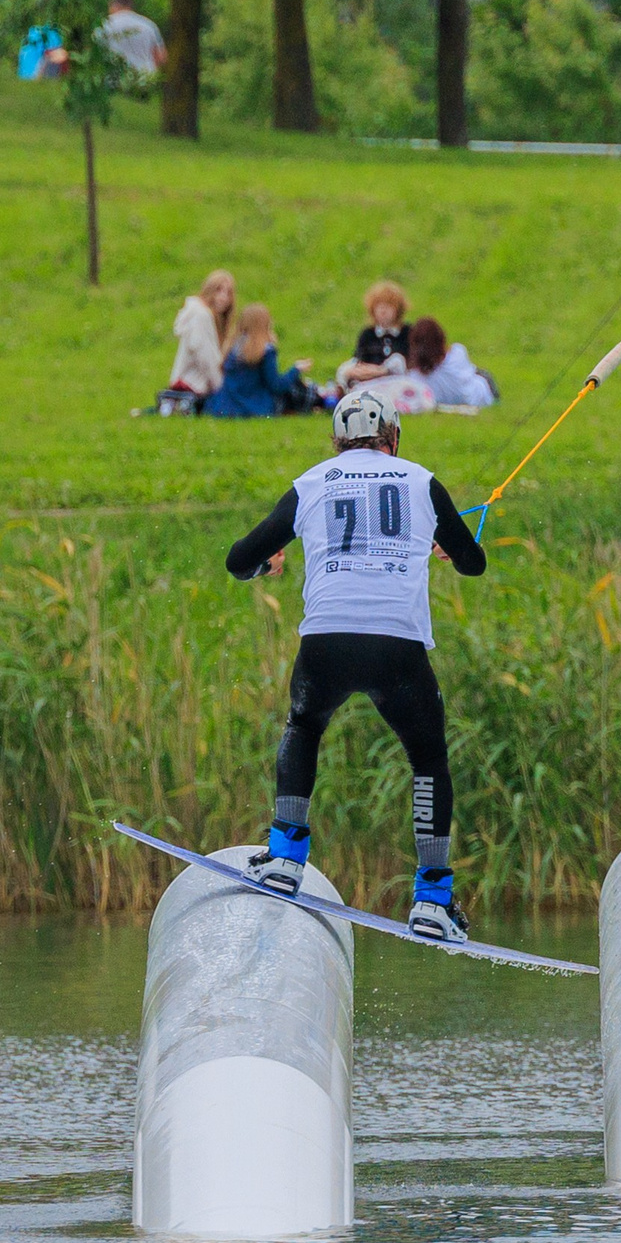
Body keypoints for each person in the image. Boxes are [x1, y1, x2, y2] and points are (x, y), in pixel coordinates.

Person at [224, 390, 488, 943]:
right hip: (397, 648)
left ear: (338, 442)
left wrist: (263, 566)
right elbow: (473, 564)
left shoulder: (314, 482)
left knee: (304, 725)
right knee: (427, 757)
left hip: (327, 642)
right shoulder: (420, 481)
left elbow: (238, 558)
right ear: (393, 438)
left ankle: (285, 858)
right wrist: (443, 545)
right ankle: (433, 899)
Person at [210, 303, 318, 419]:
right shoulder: (266, 351)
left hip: (226, 407)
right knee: (297, 389)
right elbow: (276, 385)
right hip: (255, 407)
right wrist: (296, 369)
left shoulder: (233, 348)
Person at [165, 271, 235, 410]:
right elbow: (206, 358)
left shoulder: (202, 315)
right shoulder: (201, 316)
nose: (223, 297)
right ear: (210, 290)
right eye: (219, 290)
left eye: (228, 293)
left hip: (187, 385)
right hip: (194, 387)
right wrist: (221, 389)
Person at [403, 316, 499, 410]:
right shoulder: (457, 353)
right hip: (478, 397)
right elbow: (469, 373)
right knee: (482, 374)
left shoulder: (415, 377)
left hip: (447, 400)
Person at [335, 282, 412, 387]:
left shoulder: (408, 332)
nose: (383, 311)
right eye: (379, 306)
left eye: (388, 306)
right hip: (370, 382)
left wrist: (383, 371)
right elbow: (359, 359)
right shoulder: (368, 334)